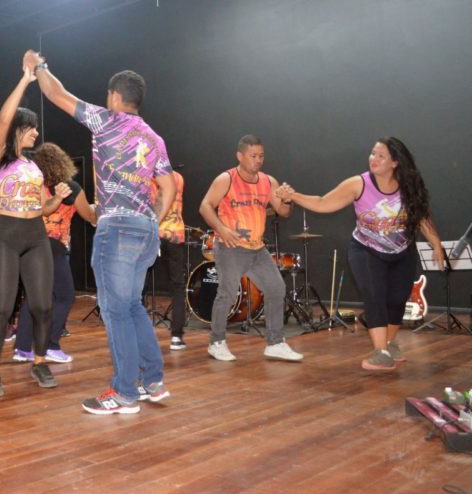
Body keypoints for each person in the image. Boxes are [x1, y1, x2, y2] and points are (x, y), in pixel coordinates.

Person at [25, 50, 176, 415]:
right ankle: (152, 381)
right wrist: (150, 219)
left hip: (117, 228)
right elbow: (168, 189)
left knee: (115, 311)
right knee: (133, 306)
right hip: (145, 230)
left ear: (113, 96)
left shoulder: (106, 120)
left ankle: (124, 391)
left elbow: (55, 94)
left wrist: (39, 65)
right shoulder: (154, 138)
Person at [275, 137, 445, 370]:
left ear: (395, 162)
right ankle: (380, 351)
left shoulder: (408, 186)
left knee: (396, 300)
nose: (373, 159)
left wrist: (436, 244)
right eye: (372, 154)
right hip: (366, 250)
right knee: (374, 296)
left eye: (381, 156)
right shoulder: (359, 184)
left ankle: (390, 343)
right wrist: (293, 196)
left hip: (402, 252)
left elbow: (422, 217)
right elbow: (323, 203)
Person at [0, 66, 72, 398]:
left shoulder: (34, 166)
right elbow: (3, 121)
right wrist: (24, 80)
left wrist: (57, 199)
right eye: (31, 128)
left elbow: (43, 209)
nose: (36, 133)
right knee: (3, 307)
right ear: (20, 128)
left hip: (36, 233)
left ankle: (39, 361)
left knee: (43, 305)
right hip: (6, 234)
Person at [199, 135, 302, 362]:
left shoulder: (268, 181)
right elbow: (205, 206)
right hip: (230, 247)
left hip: (257, 249)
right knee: (226, 294)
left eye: (261, 156)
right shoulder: (226, 179)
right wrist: (222, 230)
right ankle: (217, 342)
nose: (258, 160)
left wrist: (287, 199)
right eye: (253, 156)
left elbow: (284, 212)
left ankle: (275, 343)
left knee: (276, 288)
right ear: (240, 156)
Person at [12, 142, 96, 364]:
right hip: (54, 248)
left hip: (29, 246)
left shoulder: (34, 185)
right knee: (65, 295)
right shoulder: (71, 188)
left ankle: (22, 348)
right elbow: (89, 215)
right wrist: (98, 212)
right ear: (63, 163)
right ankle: (51, 344)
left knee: (34, 296)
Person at [151, 168, 188, 350]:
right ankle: (177, 337)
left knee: (140, 283)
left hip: (153, 232)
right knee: (177, 286)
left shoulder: (147, 178)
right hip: (175, 234)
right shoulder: (177, 177)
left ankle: (140, 332)